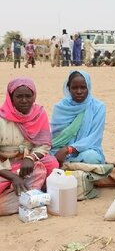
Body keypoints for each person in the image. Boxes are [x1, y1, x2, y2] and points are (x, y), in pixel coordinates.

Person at [0, 78, 59, 216]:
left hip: (25, 162)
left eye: (28, 96)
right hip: (4, 165)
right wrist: (13, 177)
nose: (24, 100)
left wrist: (31, 158)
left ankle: (28, 194)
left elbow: (44, 144)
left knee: (51, 164)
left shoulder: (39, 114)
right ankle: (24, 194)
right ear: (11, 98)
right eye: (19, 96)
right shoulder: (2, 119)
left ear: (34, 96)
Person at [50, 71, 106, 165]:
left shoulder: (98, 107)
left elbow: (94, 137)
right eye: (74, 88)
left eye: (83, 88)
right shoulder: (60, 107)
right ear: (68, 88)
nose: (79, 92)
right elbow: (56, 138)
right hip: (59, 151)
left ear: (88, 88)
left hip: (84, 150)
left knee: (92, 157)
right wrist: (62, 150)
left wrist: (69, 149)